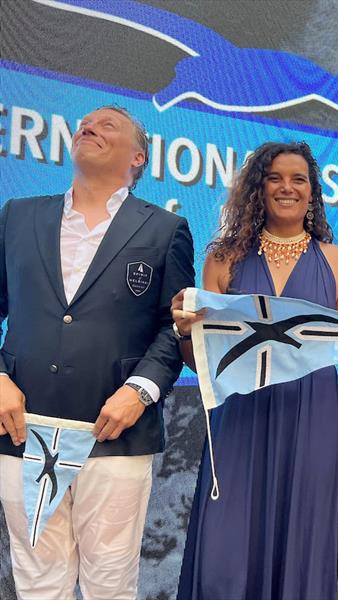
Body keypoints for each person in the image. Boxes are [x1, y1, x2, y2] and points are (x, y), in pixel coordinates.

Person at [172, 141, 338, 600]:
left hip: (311, 418)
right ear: (257, 189)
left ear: (312, 191)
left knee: (299, 546)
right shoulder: (223, 259)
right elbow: (204, 362)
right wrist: (185, 332)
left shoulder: (337, 261)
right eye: (275, 177)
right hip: (238, 420)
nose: (287, 187)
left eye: (298, 179)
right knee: (225, 553)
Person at [0, 105, 194, 599]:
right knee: (38, 583)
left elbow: (177, 327)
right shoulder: (18, 216)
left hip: (115, 436)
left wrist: (141, 390)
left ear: (137, 157)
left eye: (108, 124)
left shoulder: (165, 229)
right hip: (22, 433)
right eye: (84, 122)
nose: (88, 126)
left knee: (110, 584)